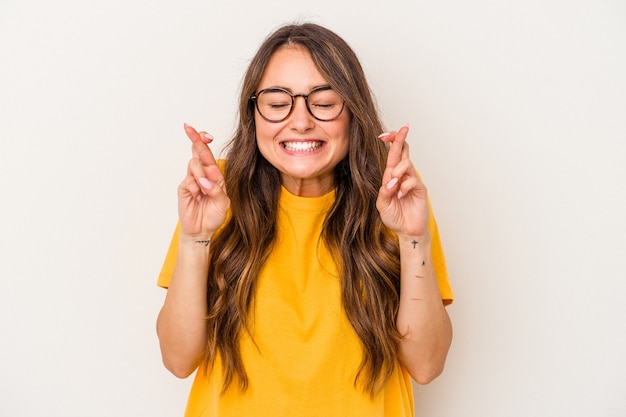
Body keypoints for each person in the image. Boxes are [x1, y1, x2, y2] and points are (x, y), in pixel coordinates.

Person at [156, 22, 454, 417]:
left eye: (325, 101)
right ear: (254, 114)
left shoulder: (395, 198)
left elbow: (427, 365)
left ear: (353, 111)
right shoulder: (218, 193)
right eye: (278, 104)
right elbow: (178, 360)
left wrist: (413, 237)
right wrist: (196, 238)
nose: (300, 121)